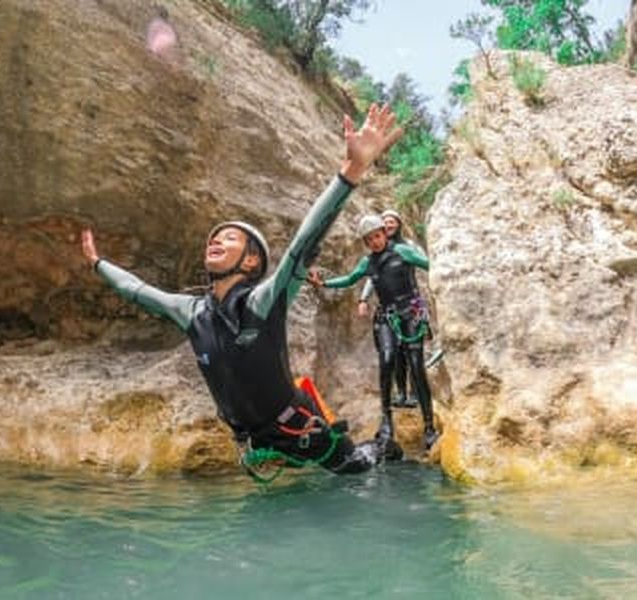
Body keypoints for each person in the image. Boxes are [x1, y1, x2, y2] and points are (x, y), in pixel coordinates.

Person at [81, 104, 404, 476]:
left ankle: (382, 448)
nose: (215, 241)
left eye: (229, 238)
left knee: (357, 472)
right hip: (257, 444)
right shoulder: (191, 312)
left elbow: (304, 240)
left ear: (251, 261)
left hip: (302, 430)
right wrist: (97, 264)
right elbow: (137, 290)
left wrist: (353, 169)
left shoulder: (261, 302)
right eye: (213, 238)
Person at [308, 211, 439, 451]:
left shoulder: (403, 251)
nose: (375, 242)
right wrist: (323, 283)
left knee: (416, 365)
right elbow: (350, 279)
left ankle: (429, 426)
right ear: (366, 242)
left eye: (377, 236)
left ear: (384, 234)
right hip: (386, 316)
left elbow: (430, 265)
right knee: (387, 360)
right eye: (369, 240)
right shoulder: (368, 262)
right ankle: (386, 418)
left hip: (410, 313)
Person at [358, 209, 416, 409]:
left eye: (392, 222)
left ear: (398, 224)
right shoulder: (376, 256)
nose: (389, 225)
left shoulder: (406, 246)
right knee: (397, 353)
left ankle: (414, 394)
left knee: (413, 353)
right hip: (391, 310)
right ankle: (401, 393)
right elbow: (373, 277)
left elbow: (423, 261)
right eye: (386, 222)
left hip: (411, 304)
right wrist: (363, 298)